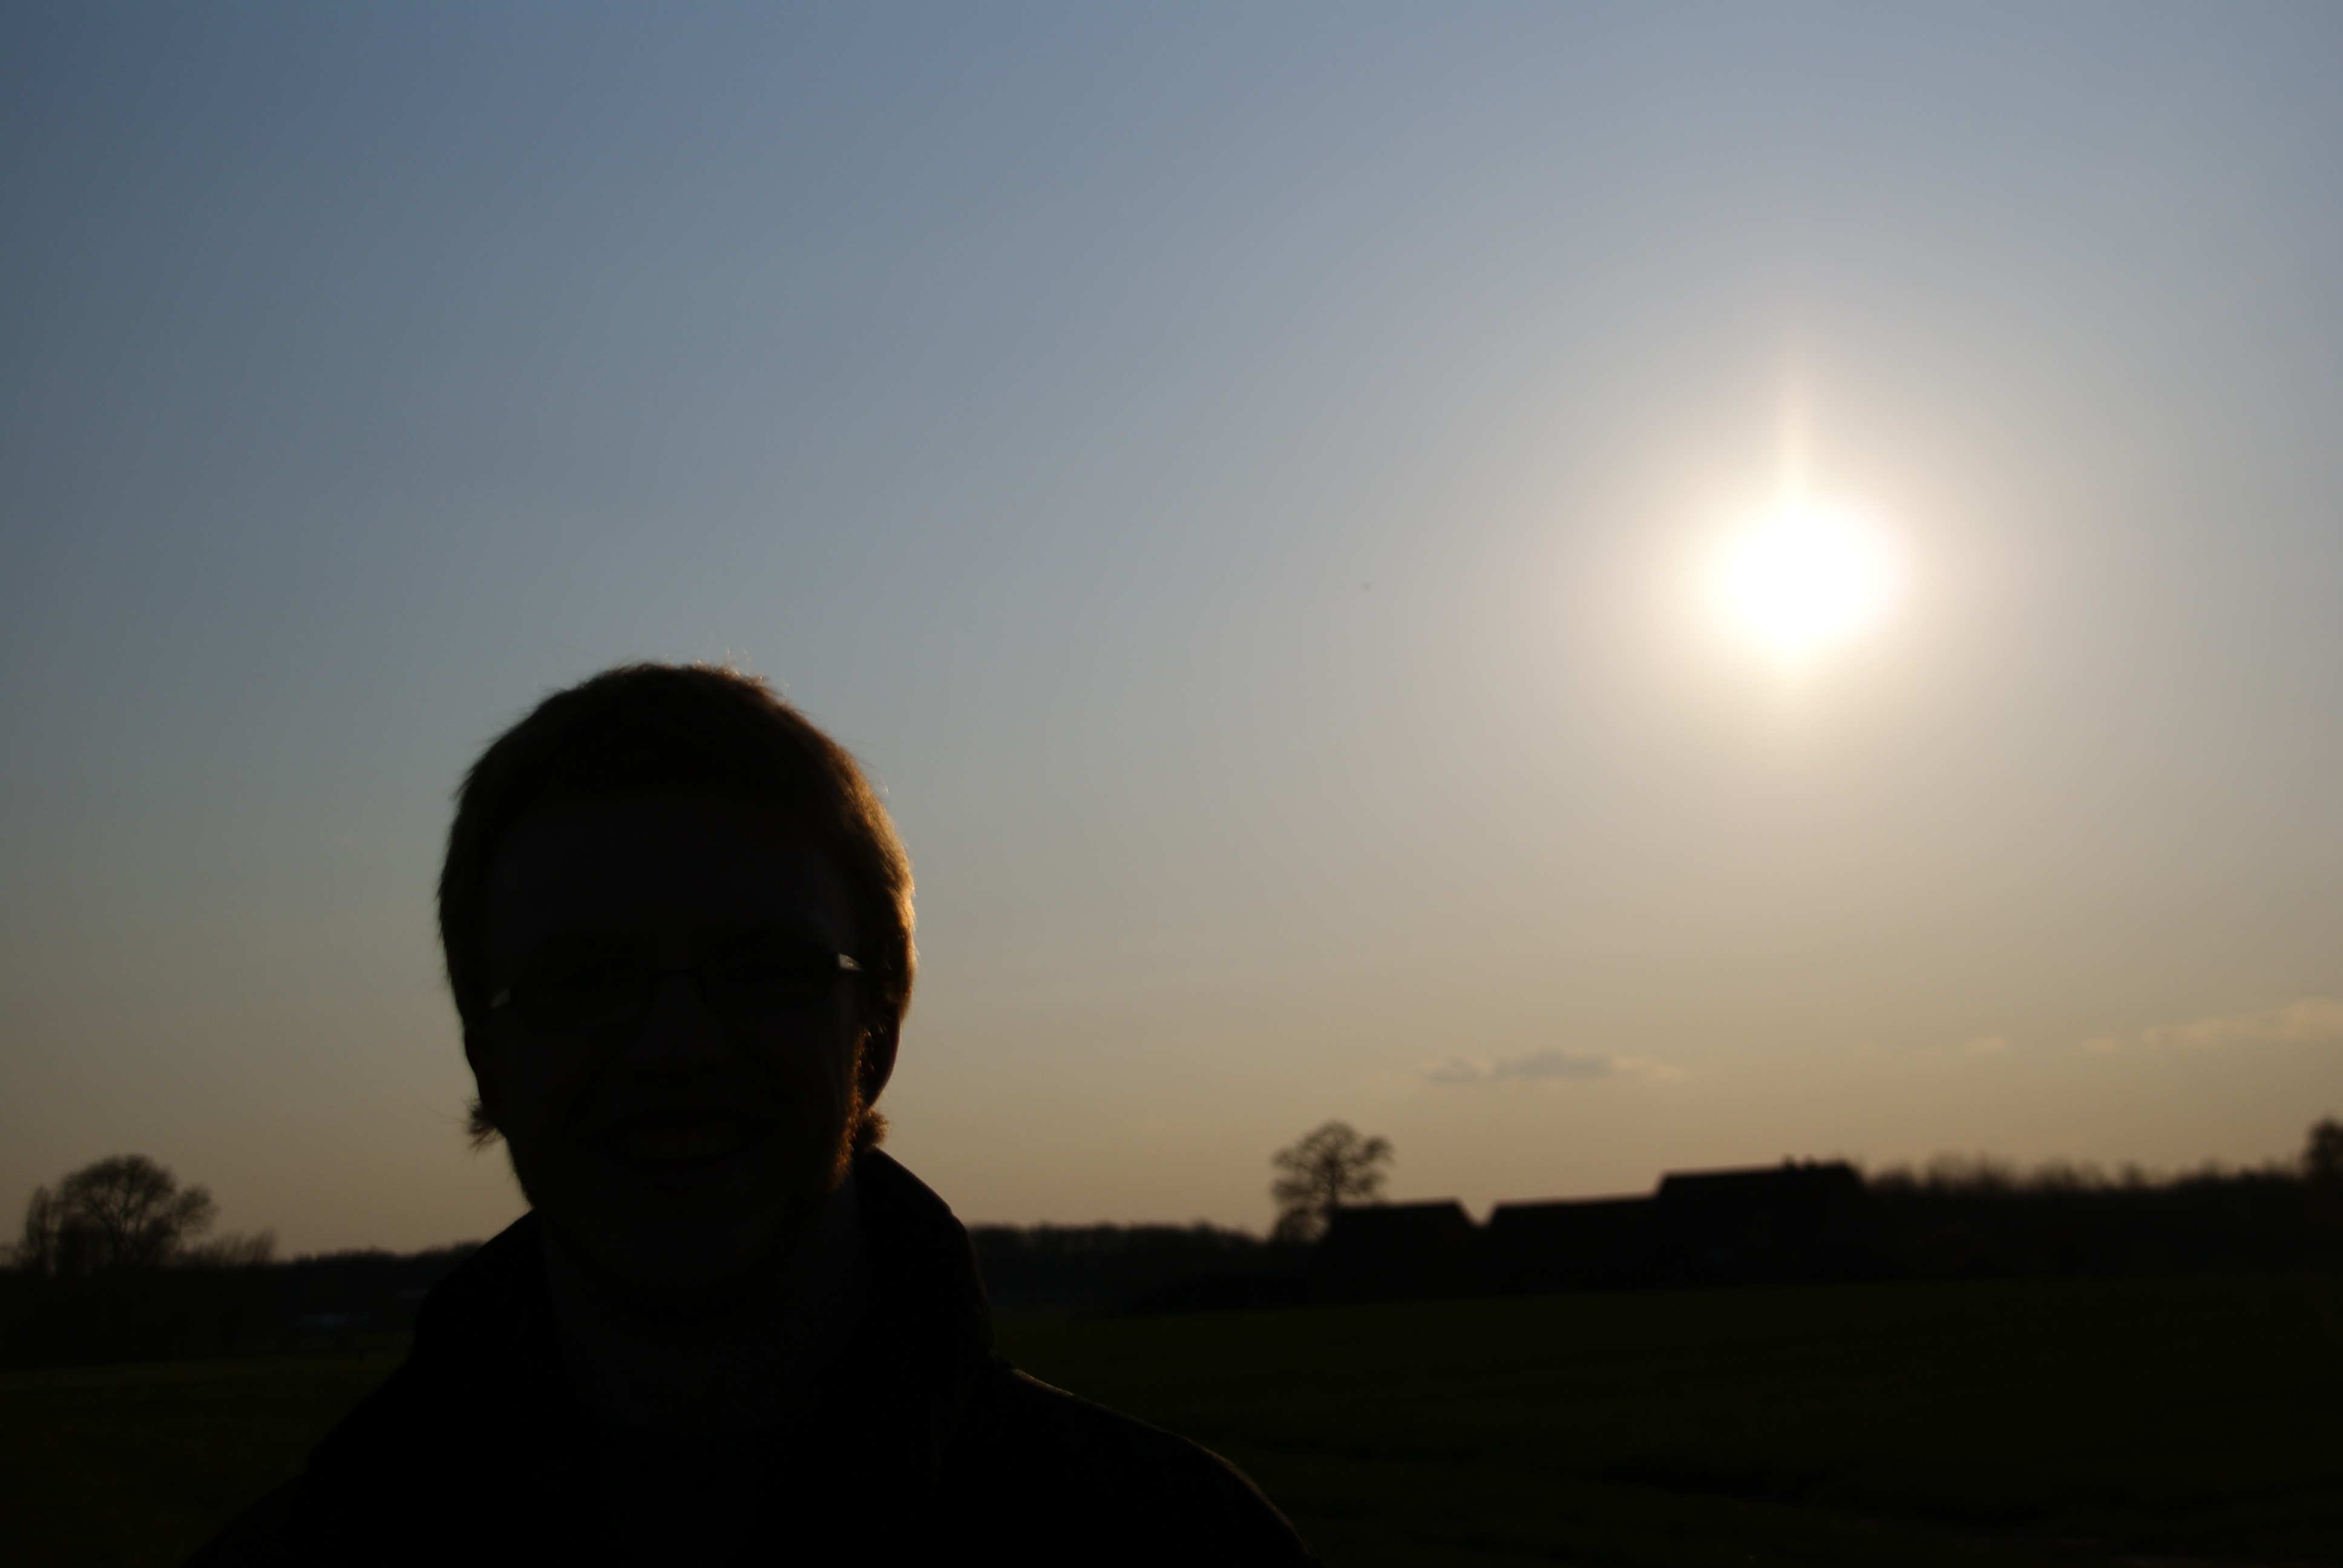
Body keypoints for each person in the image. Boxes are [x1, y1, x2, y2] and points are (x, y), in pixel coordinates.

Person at [191, 664, 1317, 1566]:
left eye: (762, 969)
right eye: (583, 983)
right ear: (486, 1057)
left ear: (877, 1034)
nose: (677, 1049)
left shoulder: (1174, 1545)